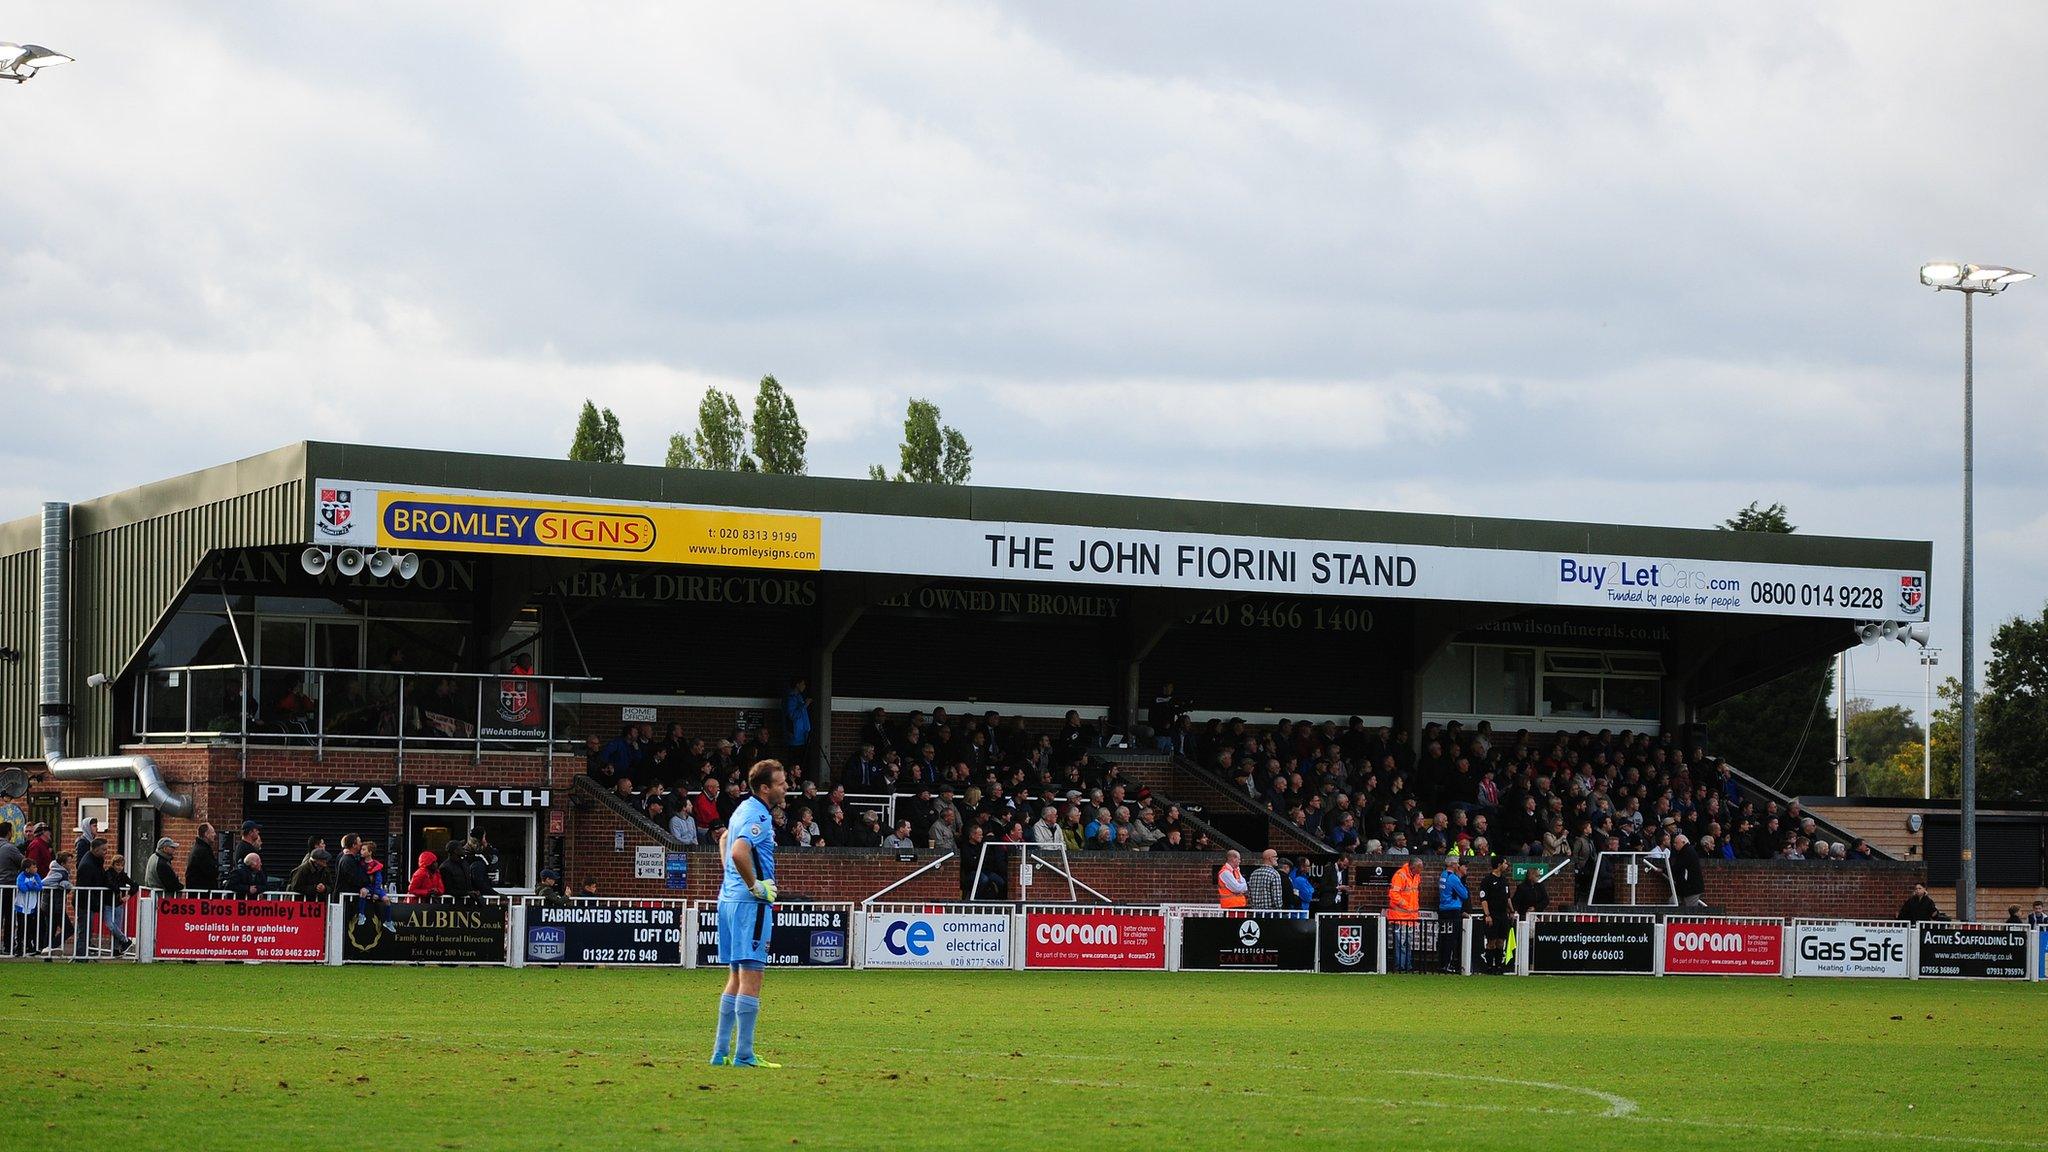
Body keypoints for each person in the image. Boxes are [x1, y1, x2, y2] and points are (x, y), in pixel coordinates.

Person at [711, 759, 787, 1070]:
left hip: (729, 900)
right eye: (781, 784)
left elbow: (723, 839)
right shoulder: (759, 816)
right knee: (752, 978)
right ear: (765, 788)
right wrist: (754, 885)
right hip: (749, 905)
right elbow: (738, 851)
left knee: (735, 977)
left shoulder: (742, 808)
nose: (786, 788)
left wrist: (732, 878)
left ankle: (719, 1052)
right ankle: (744, 1055)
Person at [1479, 856, 1514, 974]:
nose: (1506, 865)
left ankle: (1499, 967)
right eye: (1505, 863)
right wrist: (1487, 914)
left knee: (1501, 941)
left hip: (1503, 915)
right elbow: (1483, 899)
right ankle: (1489, 967)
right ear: (1499, 864)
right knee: (1491, 941)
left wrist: (1512, 911)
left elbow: (1507, 897)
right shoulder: (1487, 880)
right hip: (1492, 915)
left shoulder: (1504, 880)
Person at [1387, 856, 1422, 972]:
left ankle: (1407, 967)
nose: (1420, 871)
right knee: (1401, 944)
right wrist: (1407, 905)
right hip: (1400, 916)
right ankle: (1400, 968)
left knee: (1407, 944)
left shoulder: (1416, 875)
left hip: (1410, 917)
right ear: (1413, 867)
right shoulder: (1400, 875)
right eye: (1419, 868)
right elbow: (1393, 894)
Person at [1436, 857, 1469, 973]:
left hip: (1443, 909)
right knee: (1451, 939)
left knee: (1443, 938)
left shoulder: (1443, 875)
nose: (1458, 865)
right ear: (1453, 865)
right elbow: (1464, 895)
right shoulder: (1454, 878)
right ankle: (1447, 965)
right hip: (1452, 910)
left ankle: (1441, 964)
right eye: (1457, 863)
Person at [357, 841, 397, 932]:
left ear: (370, 852)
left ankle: (388, 921)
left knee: (387, 900)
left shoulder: (376, 865)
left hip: (376, 887)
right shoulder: (360, 862)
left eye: (364, 850)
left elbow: (378, 880)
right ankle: (361, 914)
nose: (361, 851)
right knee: (363, 892)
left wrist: (376, 892)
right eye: (361, 849)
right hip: (366, 886)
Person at [1670, 832, 1706, 907]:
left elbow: (1678, 867)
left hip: (1691, 888)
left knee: (1690, 910)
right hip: (1687, 887)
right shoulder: (1687, 851)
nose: (1674, 845)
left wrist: (1664, 870)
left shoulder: (1687, 852)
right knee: (1673, 901)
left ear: (1683, 842)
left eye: (1676, 843)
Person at [185, 823, 219, 894]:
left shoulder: (200, 848)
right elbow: (210, 871)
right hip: (202, 894)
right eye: (212, 832)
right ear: (206, 834)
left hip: (200, 892)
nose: (215, 834)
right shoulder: (202, 851)